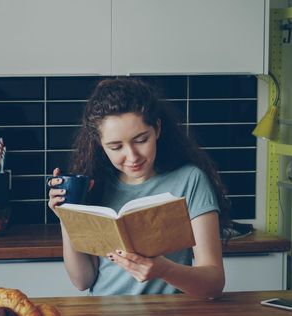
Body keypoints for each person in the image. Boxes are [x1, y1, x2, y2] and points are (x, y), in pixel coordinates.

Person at [48, 79, 227, 298]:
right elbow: (83, 280)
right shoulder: (96, 184)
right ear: (99, 143)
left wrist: (164, 270)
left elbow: (214, 283)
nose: (132, 157)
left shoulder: (190, 180)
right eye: (116, 147)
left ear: (158, 129)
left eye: (141, 140)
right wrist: (67, 217)